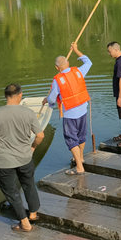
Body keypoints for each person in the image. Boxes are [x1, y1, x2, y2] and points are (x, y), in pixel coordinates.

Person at [0, 83, 44, 231]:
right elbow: (40, 135)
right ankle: (32, 214)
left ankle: (24, 223)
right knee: (29, 184)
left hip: (4, 162)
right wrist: (32, 147)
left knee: (11, 192)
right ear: (20, 95)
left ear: (5, 96)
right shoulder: (28, 113)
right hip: (25, 158)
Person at [44, 41, 92, 173]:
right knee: (81, 136)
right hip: (83, 109)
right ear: (68, 63)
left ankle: (79, 167)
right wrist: (76, 50)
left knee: (71, 139)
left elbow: (52, 99)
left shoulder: (58, 80)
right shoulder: (78, 71)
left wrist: (49, 103)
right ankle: (80, 158)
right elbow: (88, 62)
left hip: (70, 113)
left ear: (56, 67)